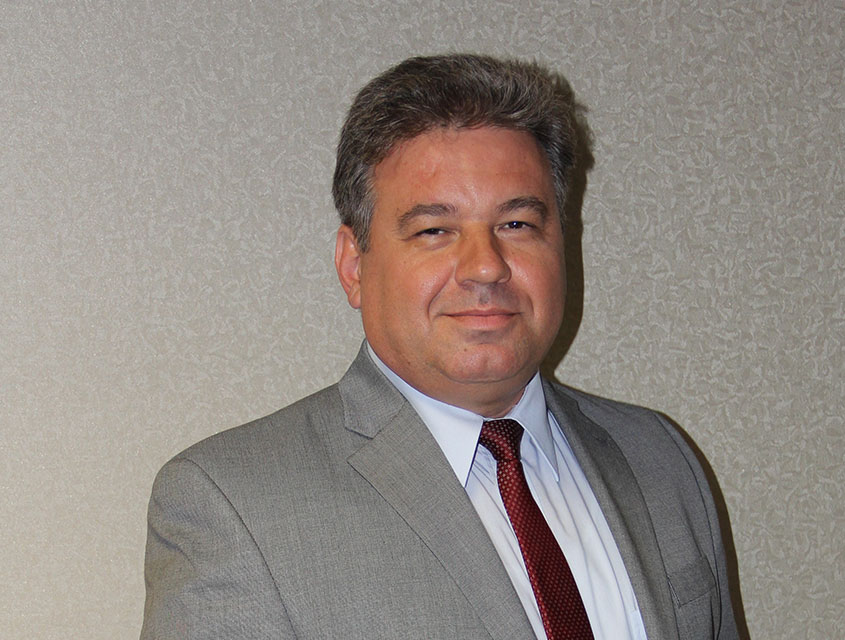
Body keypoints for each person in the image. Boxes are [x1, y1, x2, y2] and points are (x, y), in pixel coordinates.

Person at [140, 54, 739, 640]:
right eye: (434, 231)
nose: (485, 267)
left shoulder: (659, 456)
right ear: (353, 265)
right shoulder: (234, 506)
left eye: (517, 225)